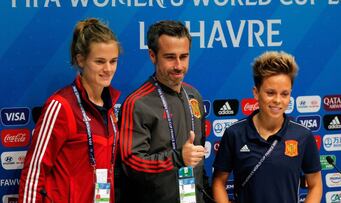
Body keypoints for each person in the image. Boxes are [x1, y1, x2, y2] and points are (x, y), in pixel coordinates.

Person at [18, 18, 121, 203]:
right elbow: (34, 172)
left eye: (113, 61)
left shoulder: (110, 107)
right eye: (99, 61)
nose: (108, 69)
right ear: (81, 59)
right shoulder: (61, 105)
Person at [117, 20, 209, 203]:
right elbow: (131, 163)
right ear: (152, 55)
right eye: (170, 57)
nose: (178, 65)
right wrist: (177, 158)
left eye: (184, 56)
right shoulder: (137, 103)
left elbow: (198, 156)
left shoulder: (194, 96)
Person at [212, 51, 323, 203]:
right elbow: (218, 182)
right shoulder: (234, 133)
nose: (278, 100)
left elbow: (316, 185)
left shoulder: (303, 136)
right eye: (270, 93)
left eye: (284, 94)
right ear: (256, 93)